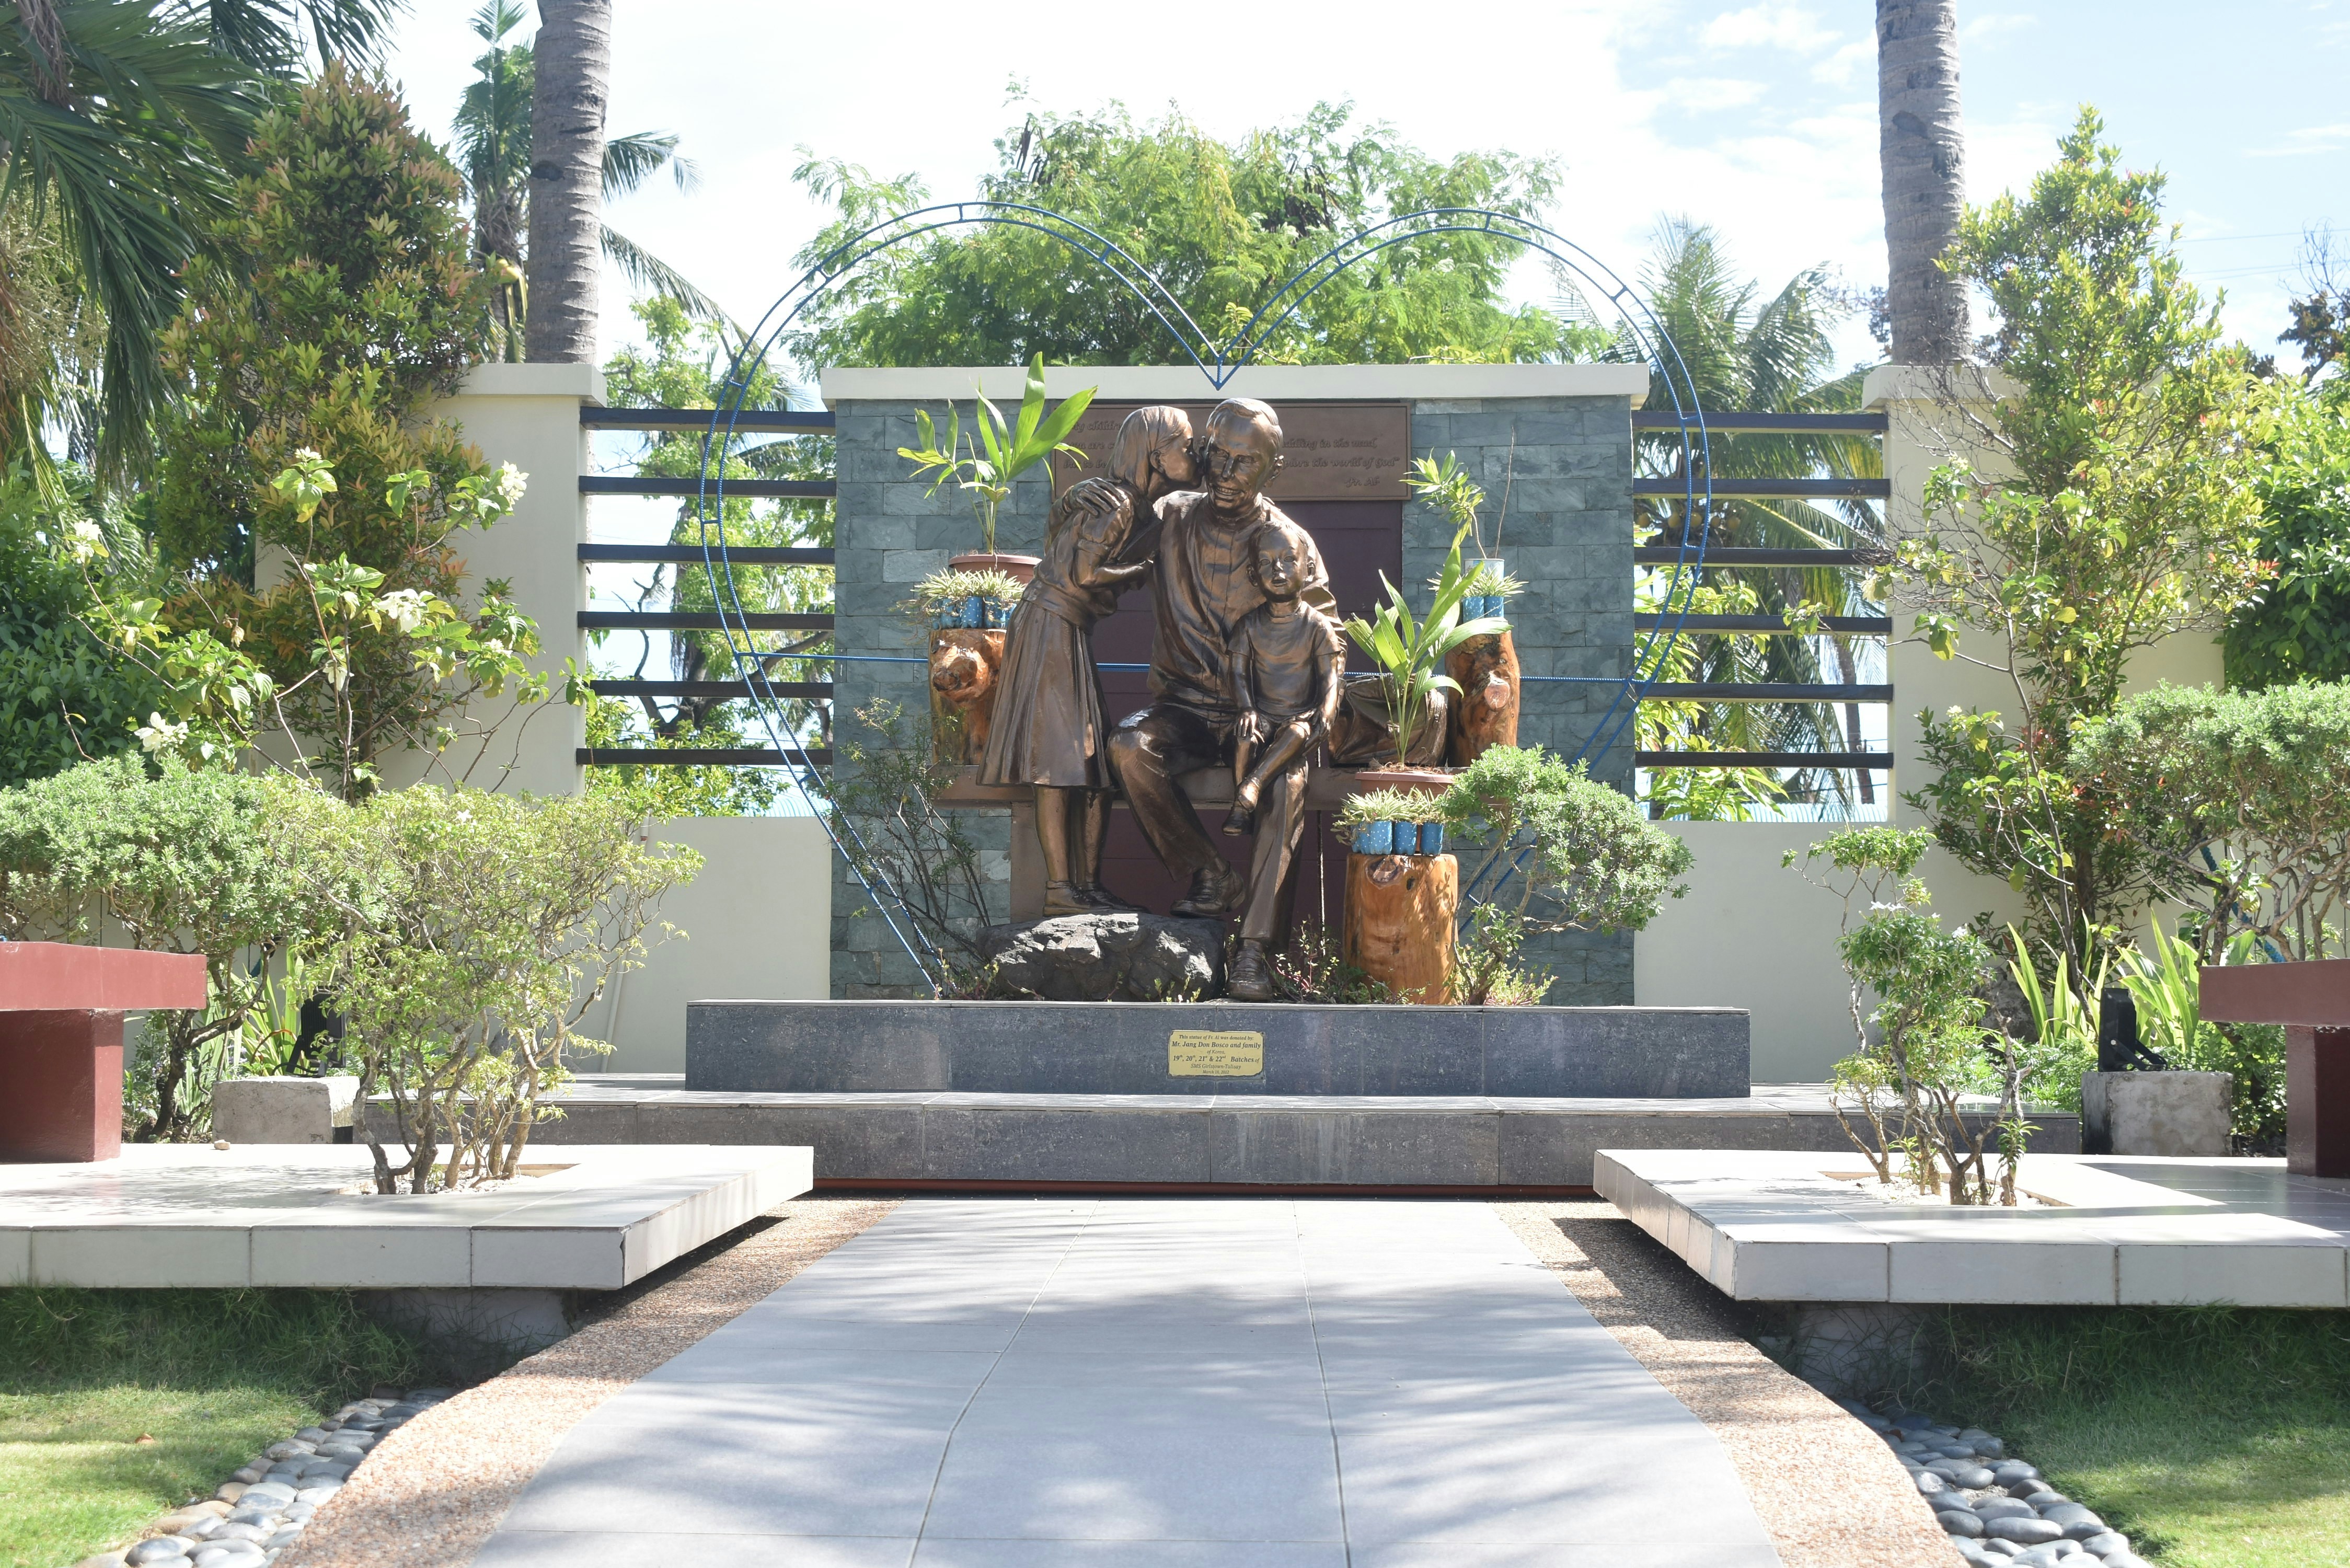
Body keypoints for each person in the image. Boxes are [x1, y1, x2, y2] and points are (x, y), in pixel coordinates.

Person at [1105, 398, 1335, 1001]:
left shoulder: (1289, 542)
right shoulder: (1170, 516)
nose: (1225, 473)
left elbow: (1329, 640)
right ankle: (1210, 874)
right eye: (1219, 456)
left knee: (1286, 786)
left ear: (1272, 468)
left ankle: (1254, 952)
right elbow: (1100, 541)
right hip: (1182, 709)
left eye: (1244, 463)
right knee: (1129, 746)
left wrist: (1302, 717)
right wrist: (1088, 505)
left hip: (1261, 720)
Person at [978, 405, 1195, 915]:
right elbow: (1084, 575)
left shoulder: (1131, 505)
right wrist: (1142, 567)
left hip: (1066, 627)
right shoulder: (1117, 504)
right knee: (1060, 763)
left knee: (1094, 768)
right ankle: (1061, 891)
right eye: (1184, 445)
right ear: (1155, 454)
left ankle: (1084, 885)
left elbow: (1061, 538)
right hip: (1051, 623)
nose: (1193, 454)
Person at [1220, 518, 1344, 990]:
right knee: (1250, 735)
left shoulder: (1316, 627)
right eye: (1267, 565)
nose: (1278, 572)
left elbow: (1331, 684)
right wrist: (1248, 709)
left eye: (1288, 561)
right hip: (1261, 726)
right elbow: (1239, 681)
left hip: (1298, 736)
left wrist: (1326, 714)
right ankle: (1249, 787)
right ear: (1254, 576)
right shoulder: (1249, 627)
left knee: (1290, 776)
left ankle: (1251, 952)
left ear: (1307, 566)